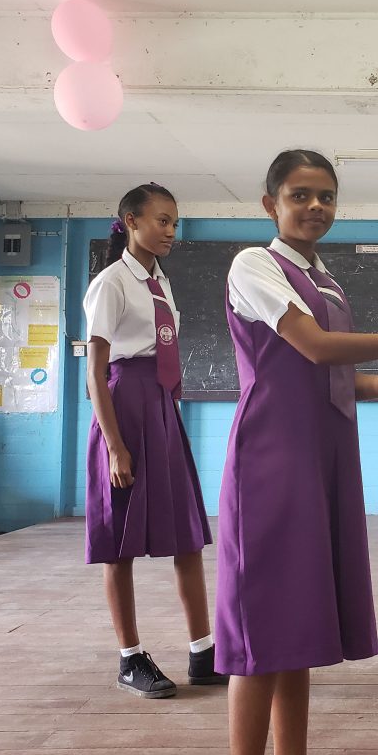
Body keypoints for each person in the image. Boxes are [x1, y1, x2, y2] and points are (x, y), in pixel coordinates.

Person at [216, 150, 378, 755]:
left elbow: (342, 375)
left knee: (297, 619)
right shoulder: (255, 264)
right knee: (260, 632)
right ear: (270, 204)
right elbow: (311, 345)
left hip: (326, 454)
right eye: (301, 195)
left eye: (327, 196)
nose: (316, 207)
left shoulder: (325, 276)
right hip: (273, 459)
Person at [82, 182, 223, 699]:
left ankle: (204, 652)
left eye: (174, 222)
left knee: (187, 534)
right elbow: (97, 372)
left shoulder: (159, 283)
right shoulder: (112, 283)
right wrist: (116, 446)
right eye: (160, 220)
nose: (169, 231)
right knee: (119, 542)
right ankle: (130, 658)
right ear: (131, 221)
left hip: (162, 409)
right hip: (124, 408)